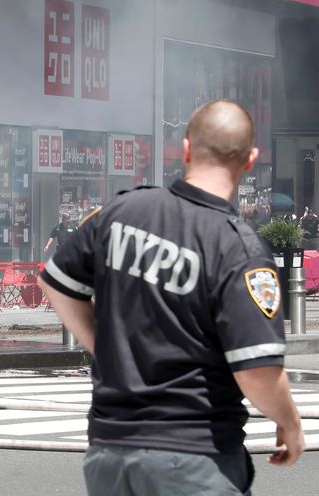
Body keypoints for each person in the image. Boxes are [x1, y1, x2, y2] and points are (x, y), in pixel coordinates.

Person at [38, 100, 303, 495]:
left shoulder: (122, 211)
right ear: (250, 160)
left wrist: (103, 346)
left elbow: (56, 283)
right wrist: (290, 422)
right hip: (195, 454)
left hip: (111, 452)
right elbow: (257, 372)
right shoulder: (239, 249)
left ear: (186, 149)